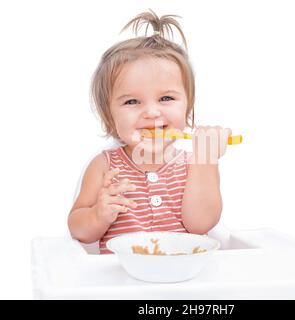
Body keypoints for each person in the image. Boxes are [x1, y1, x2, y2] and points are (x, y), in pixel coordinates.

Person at [68, 10, 232, 254]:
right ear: (109, 116)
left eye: (166, 98)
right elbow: (77, 229)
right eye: (132, 102)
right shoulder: (104, 166)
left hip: (183, 280)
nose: (152, 112)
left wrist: (206, 160)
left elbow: (200, 225)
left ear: (188, 106)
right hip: (122, 282)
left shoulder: (194, 165)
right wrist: (97, 215)